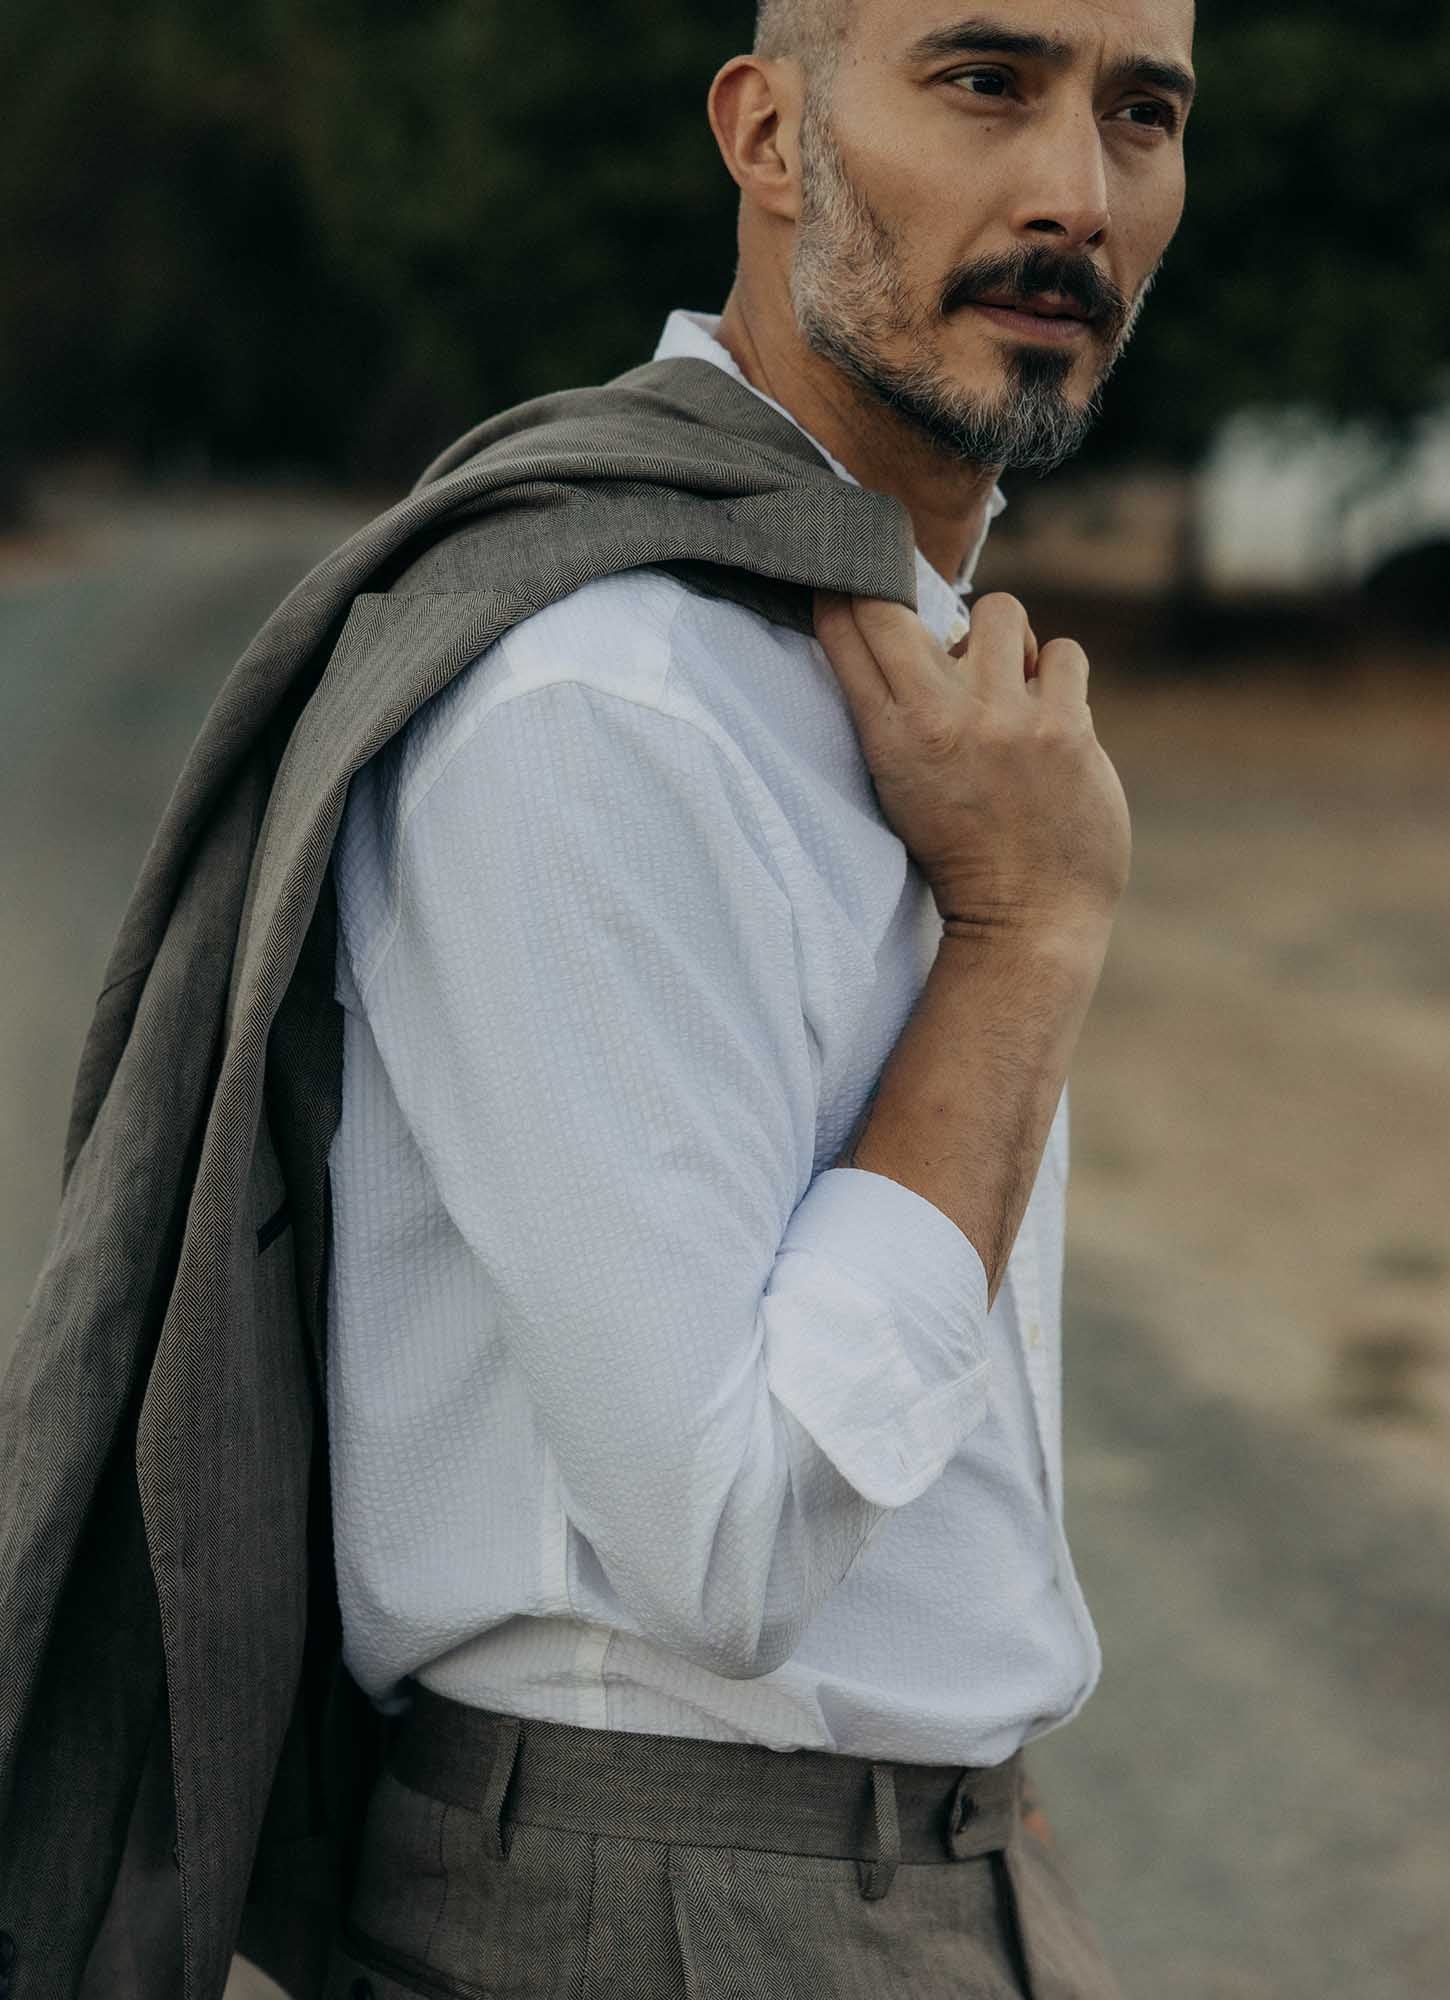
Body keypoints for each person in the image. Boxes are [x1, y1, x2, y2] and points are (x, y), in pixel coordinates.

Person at [322, 2, 1193, 1994]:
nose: (1074, 190)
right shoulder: (599, 698)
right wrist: (1023, 940)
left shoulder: (922, 663)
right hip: (665, 1909)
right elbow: (723, 1547)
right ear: (769, 131)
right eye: (985, 83)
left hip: (925, 1861)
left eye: (1137, 112)